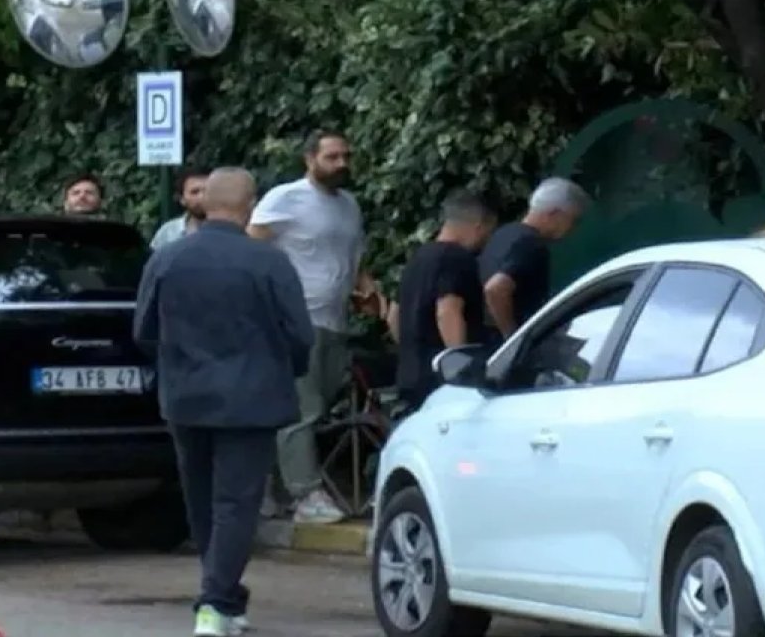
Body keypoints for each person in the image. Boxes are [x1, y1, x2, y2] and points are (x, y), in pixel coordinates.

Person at [133, 166, 314, 637]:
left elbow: (143, 331)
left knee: (201, 499)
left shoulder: (166, 259)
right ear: (249, 205)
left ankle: (224, 596)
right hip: (252, 398)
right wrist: (285, 370)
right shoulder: (269, 262)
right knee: (236, 502)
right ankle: (215, 602)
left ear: (205, 202)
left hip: (186, 396)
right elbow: (300, 334)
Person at [247, 128, 375, 524]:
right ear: (309, 159)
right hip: (296, 318)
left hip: (336, 319)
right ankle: (306, 493)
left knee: (316, 406)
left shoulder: (349, 205)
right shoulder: (286, 198)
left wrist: (366, 289)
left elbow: (354, 257)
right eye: (332, 157)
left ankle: (269, 488)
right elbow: (251, 248)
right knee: (303, 408)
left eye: (346, 156)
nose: (341, 164)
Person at [396, 190, 498, 409]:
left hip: (411, 377)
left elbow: (393, 315)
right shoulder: (457, 258)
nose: (486, 240)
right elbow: (448, 311)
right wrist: (460, 367)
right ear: (479, 226)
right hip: (442, 381)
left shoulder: (418, 258)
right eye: (488, 232)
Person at [478, 177, 590, 341]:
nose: (572, 229)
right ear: (555, 214)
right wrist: (513, 337)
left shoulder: (503, 235)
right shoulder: (531, 244)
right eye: (573, 220)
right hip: (517, 345)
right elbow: (495, 289)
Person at [151, 167, 210, 249]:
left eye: (208, 191)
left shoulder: (227, 229)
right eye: (195, 192)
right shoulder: (168, 232)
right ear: (182, 199)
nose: (202, 197)